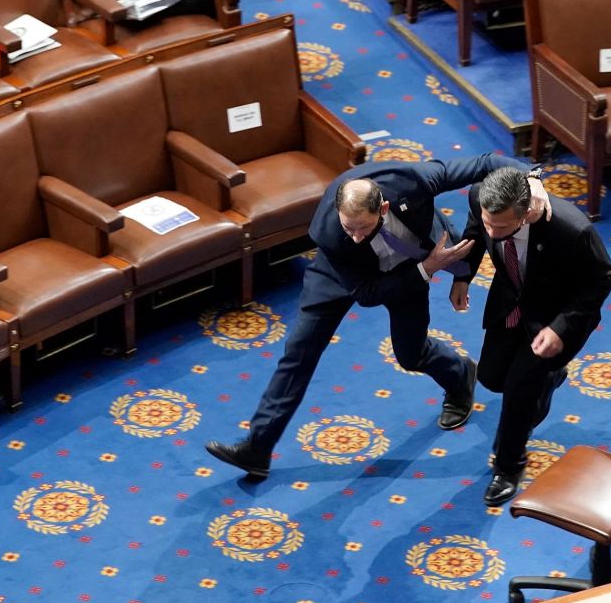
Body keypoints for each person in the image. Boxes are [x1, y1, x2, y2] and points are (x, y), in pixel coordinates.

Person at [207, 154, 547, 479]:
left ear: (383, 208)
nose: (354, 235)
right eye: (348, 227)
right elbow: (366, 294)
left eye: (362, 228)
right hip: (343, 275)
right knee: (299, 353)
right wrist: (427, 270)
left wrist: (531, 179)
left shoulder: (412, 181)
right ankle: (259, 447)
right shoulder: (331, 232)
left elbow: (484, 164)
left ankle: (459, 375)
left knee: (410, 354)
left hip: (408, 267)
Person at [458, 166, 611, 505]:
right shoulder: (480, 200)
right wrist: (463, 277)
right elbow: (474, 232)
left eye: (501, 227)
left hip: (555, 316)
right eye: (489, 222)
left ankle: (509, 466)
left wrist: (561, 328)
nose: (492, 231)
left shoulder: (572, 230)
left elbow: (601, 279)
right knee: (491, 377)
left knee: (518, 393)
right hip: (511, 301)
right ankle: (550, 377)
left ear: (527, 212)